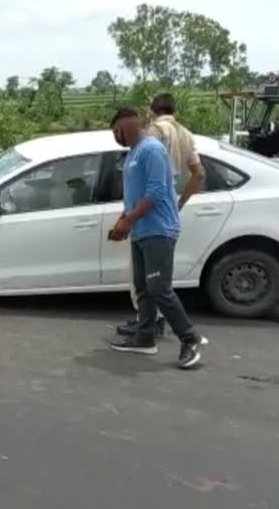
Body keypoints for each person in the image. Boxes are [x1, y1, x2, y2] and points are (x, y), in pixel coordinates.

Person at [107, 107, 208, 369]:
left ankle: (190, 339)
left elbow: (155, 192)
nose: (116, 137)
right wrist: (123, 220)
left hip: (159, 230)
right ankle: (144, 337)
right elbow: (135, 195)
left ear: (126, 126)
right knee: (142, 287)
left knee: (159, 288)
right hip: (142, 231)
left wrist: (128, 220)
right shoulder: (134, 154)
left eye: (116, 132)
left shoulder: (151, 150)